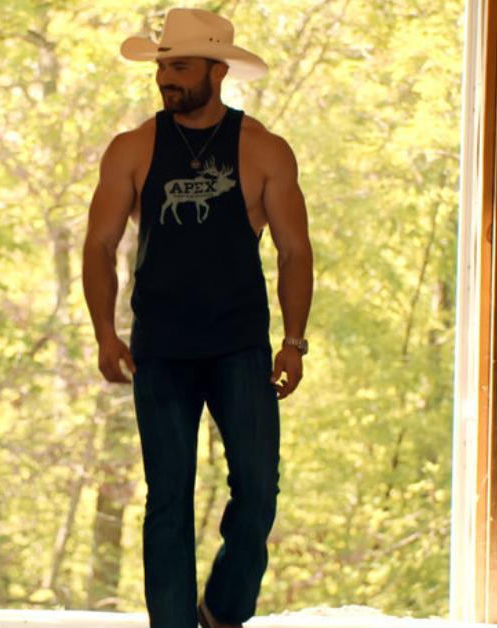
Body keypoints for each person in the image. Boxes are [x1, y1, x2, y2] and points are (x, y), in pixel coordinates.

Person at [82, 8, 313, 628]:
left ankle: (223, 609)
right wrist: (106, 332)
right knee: (168, 502)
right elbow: (99, 245)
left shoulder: (263, 149)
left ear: (217, 70)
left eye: (178, 67)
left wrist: (293, 341)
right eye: (161, 68)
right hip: (160, 349)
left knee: (259, 492)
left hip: (240, 346)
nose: (165, 80)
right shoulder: (133, 148)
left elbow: (295, 251)